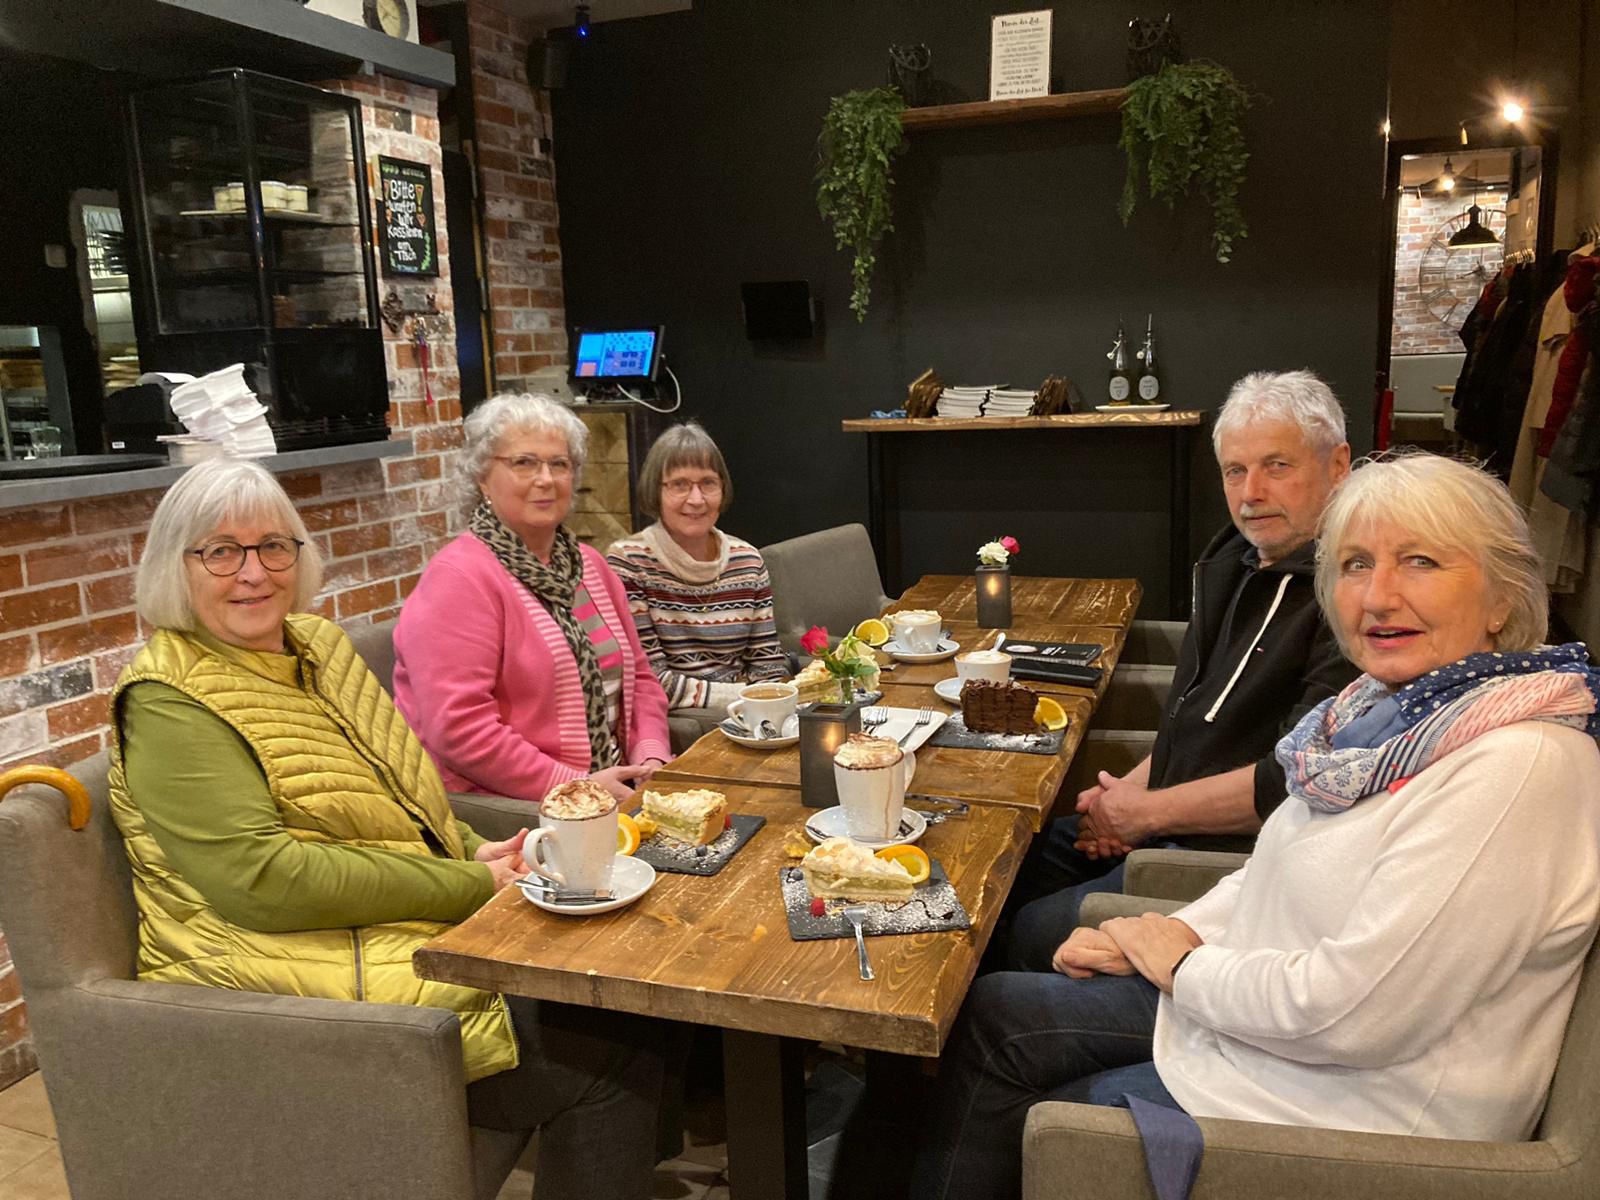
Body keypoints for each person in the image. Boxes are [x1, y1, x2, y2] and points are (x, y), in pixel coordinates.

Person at [914, 453, 1600, 1200]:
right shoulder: (1380, 716)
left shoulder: (1516, 766)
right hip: (1280, 1031)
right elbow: (1279, 865)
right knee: (997, 1014)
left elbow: (1357, 1015)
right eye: (1356, 564)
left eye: (1421, 562)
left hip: (1351, 1108)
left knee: (1046, 1113)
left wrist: (1182, 965)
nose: (1378, 596)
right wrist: (1159, 932)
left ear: (1502, 596)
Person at [111, 457, 670, 1200]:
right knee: (612, 1042)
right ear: (174, 567)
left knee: (630, 989)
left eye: (273, 546)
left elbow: (394, 800)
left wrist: (472, 846)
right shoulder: (167, 701)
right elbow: (262, 883)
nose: (253, 572)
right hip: (279, 987)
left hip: (380, 938)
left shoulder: (315, 645)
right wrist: (470, 882)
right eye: (220, 551)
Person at [1007, 370, 1358, 970]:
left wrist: (1144, 814)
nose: (1251, 492)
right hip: (1167, 821)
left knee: (1024, 931)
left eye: (1277, 466)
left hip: (1227, 861)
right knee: (1015, 865)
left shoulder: (1353, 600)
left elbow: (1289, 784)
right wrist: (1127, 796)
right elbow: (1194, 717)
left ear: (1338, 465)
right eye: (1234, 471)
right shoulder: (1234, 558)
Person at [394, 393, 673, 804]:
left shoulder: (591, 566)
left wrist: (651, 756)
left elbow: (641, 680)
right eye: (524, 462)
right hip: (510, 808)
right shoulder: (458, 579)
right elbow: (458, 729)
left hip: (613, 789)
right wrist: (579, 787)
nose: (546, 479)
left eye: (559, 464)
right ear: (482, 477)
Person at [605, 421, 788, 712]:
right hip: (680, 723)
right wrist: (747, 697)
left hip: (746, 715)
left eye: (708, 483)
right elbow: (650, 680)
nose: (696, 499)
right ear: (655, 491)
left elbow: (768, 665)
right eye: (679, 484)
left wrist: (767, 705)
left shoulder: (748, 560)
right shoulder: (628, 562)